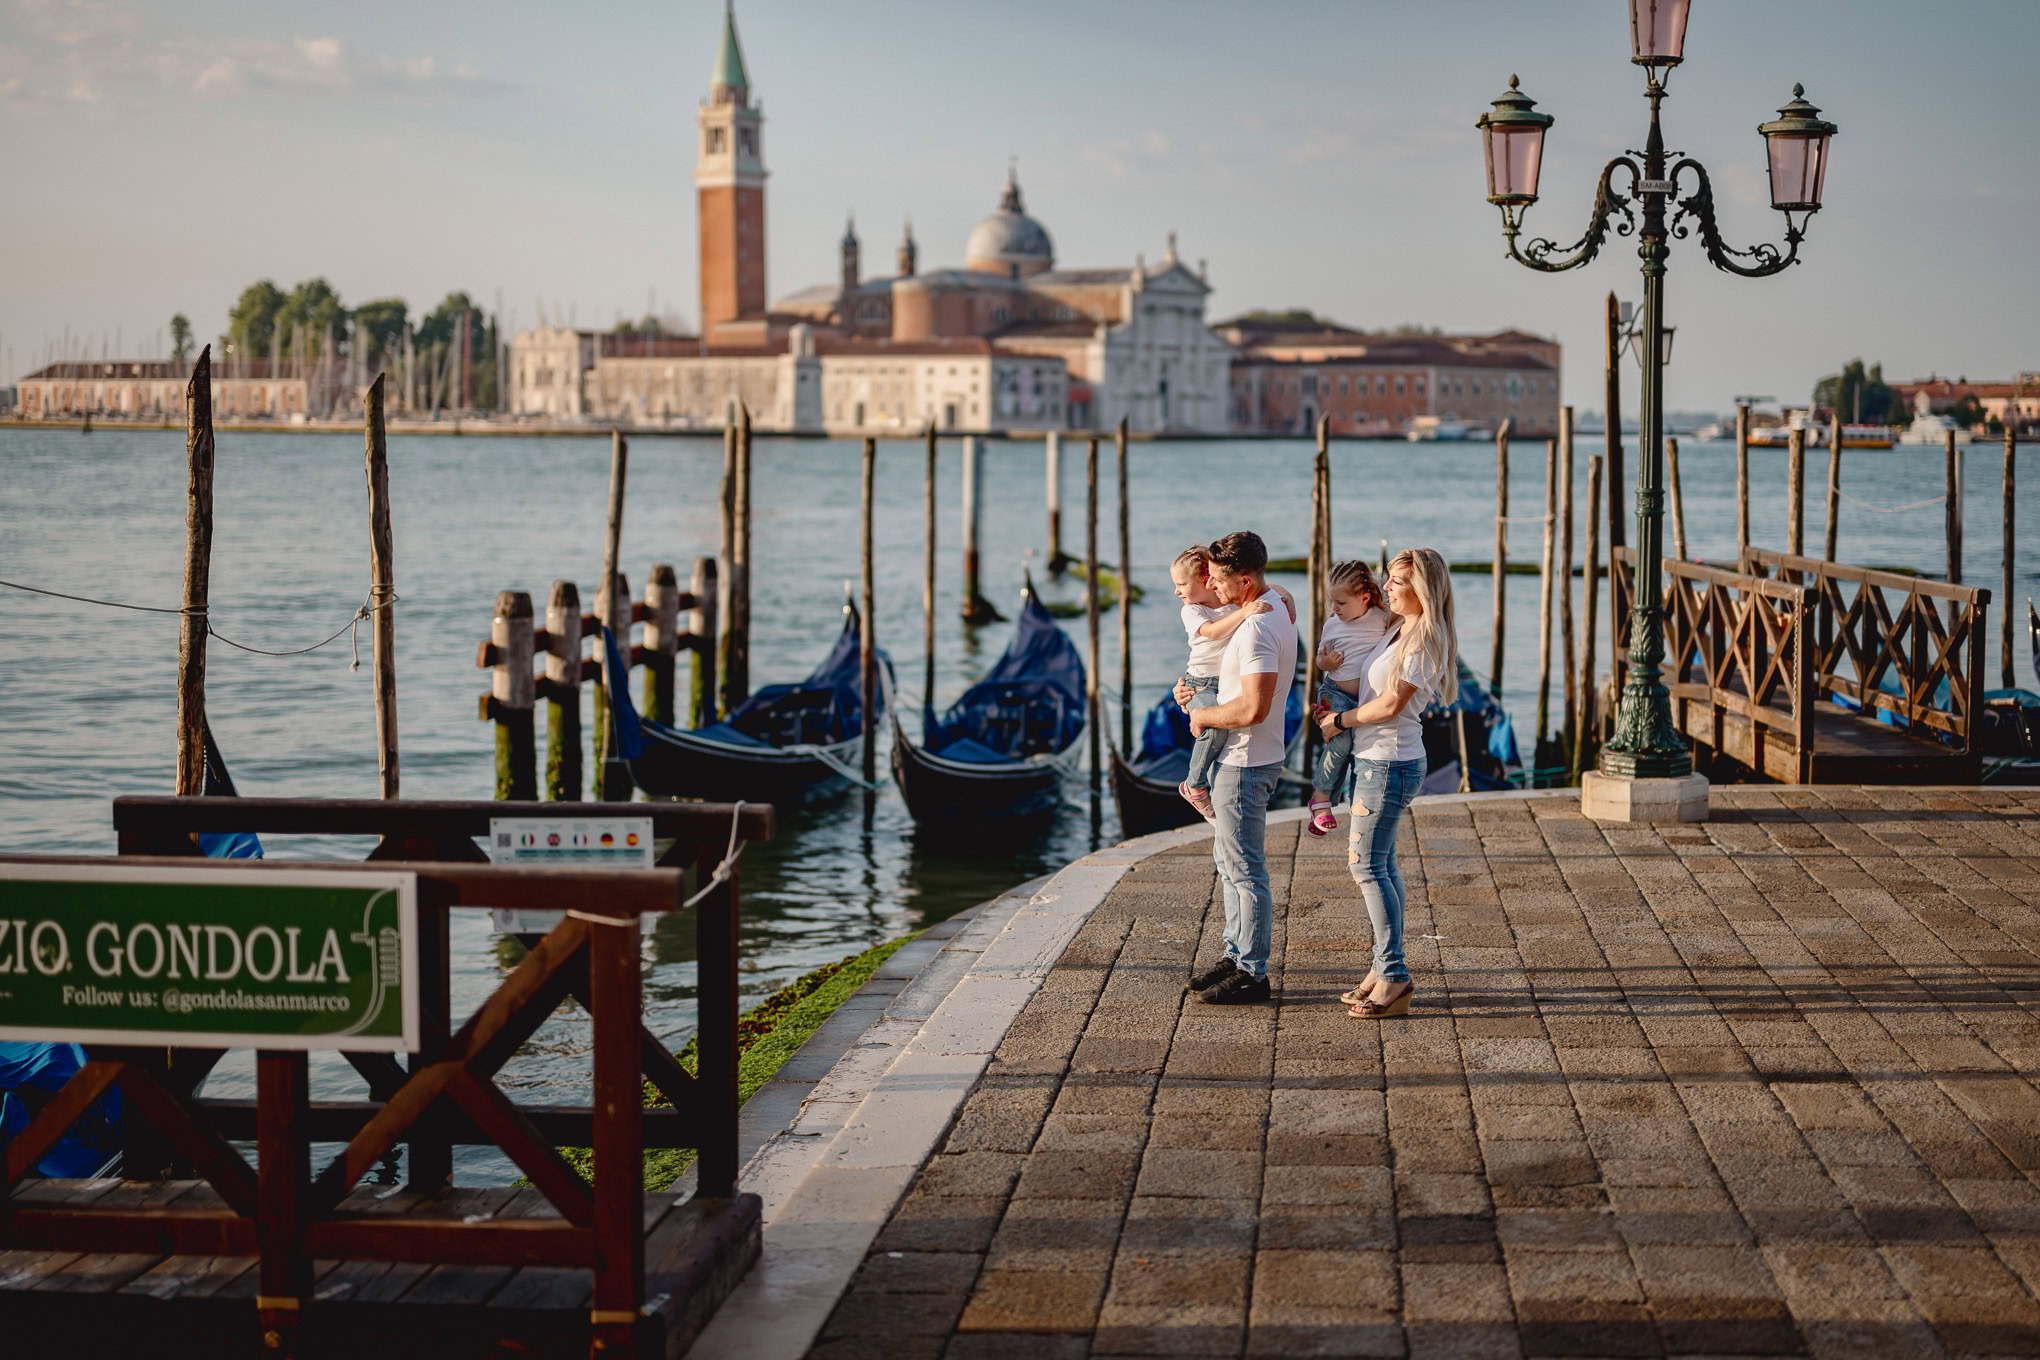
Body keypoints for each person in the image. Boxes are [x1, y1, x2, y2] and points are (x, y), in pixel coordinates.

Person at [1319, 547, 1456, 1020]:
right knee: (1381, 864)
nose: (1387, 587)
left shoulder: (1421, 640)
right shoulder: (1397, 629)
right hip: (1376, 759)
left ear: (1422, 588)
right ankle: (1383, 968)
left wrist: (1339, 719)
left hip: (1390, 763)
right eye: (1388, 579)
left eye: (1397, 581)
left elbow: (1389, 706)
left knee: (1366, 867)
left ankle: (1394, 974)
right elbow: (1371, 688)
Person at [1174, 530, 1297, 1005]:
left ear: (1245, 581)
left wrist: (1200, 715)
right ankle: (1235, 951)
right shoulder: (1274, 605)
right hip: (1237, 759)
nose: (1213, 589)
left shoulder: (1260, 627)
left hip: (1246, 762)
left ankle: (1253, 971)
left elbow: (1252, 709)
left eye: (1220, 581)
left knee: (1244, 869)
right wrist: (1185, 688)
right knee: (1228, 864)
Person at [1170, 545, 1284, 823]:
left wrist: (1285, 595)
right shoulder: (1192, 611)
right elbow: (1211, 632)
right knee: (1214, 731)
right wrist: (1244, 614)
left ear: (1206, 580)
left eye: (1182, 584)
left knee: (1221, 731)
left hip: (1224, 684)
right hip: (1200, 684)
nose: (1177, 591)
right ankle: (1194, 785)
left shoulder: (1230, 602)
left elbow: (1261, 585)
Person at [1306, 560, 1389, 837]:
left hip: (1365, 699)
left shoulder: (1382, 618)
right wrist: (1326, 662)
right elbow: (1319, 660)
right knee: (1340, 742)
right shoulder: (1332, 625)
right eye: (1332, 602)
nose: (1335, 608)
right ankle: (1320, 799)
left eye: (1341, 602)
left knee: (1357, 752)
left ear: (1364, 598)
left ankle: (1342, 804)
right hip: (1335, 692)